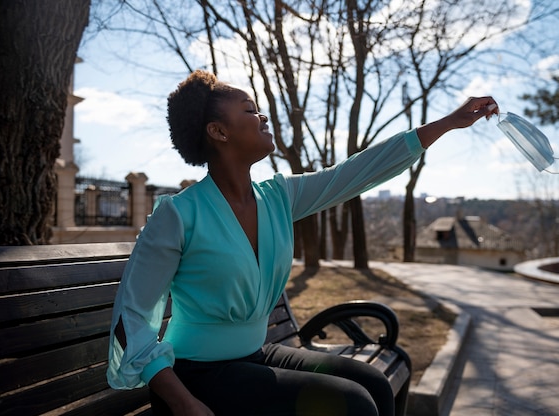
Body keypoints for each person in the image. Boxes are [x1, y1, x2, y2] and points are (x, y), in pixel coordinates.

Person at [107, 69, 499, 416]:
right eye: (249, 109)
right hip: (196, 375)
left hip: (255, 356)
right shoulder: (178, 215)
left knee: (376, 384)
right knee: (353, 403)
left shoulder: (277, 196)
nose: (262, 116)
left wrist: (448, 122)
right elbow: (132, 317)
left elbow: (355, 173)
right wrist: (183, 403)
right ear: (218, 131)